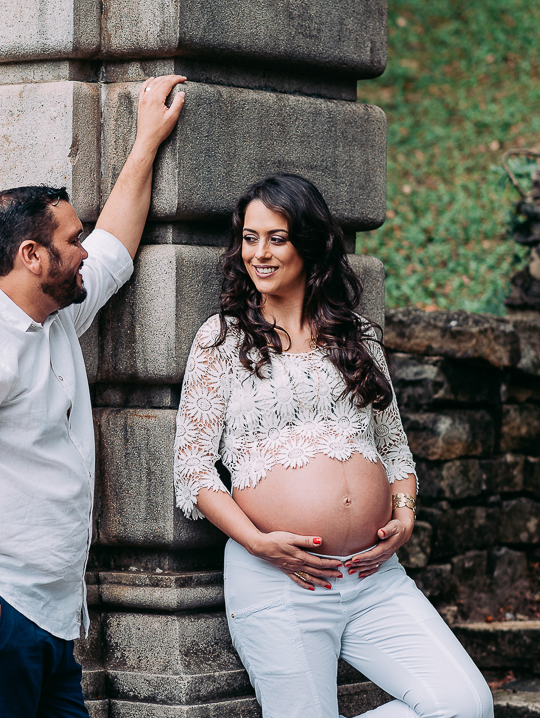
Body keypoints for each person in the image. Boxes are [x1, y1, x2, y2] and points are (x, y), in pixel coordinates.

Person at [0, 74, 187, 717]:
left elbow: (116, 247)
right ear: (32, 256)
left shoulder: (54, 316)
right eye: (71, 239)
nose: (83, 249)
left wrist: (147, 139)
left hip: (43, 621)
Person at [172, 173, 492, 718]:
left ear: (311, 243)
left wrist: (406, 516)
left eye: (277, 237)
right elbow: (194, 472)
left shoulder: (358, 337)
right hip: (279, 579)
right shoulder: (221, 339)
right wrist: (257, 542)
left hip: (375, 578)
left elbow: (396, 454)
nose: (259, 253)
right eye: (250, 238)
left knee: (466, 704)